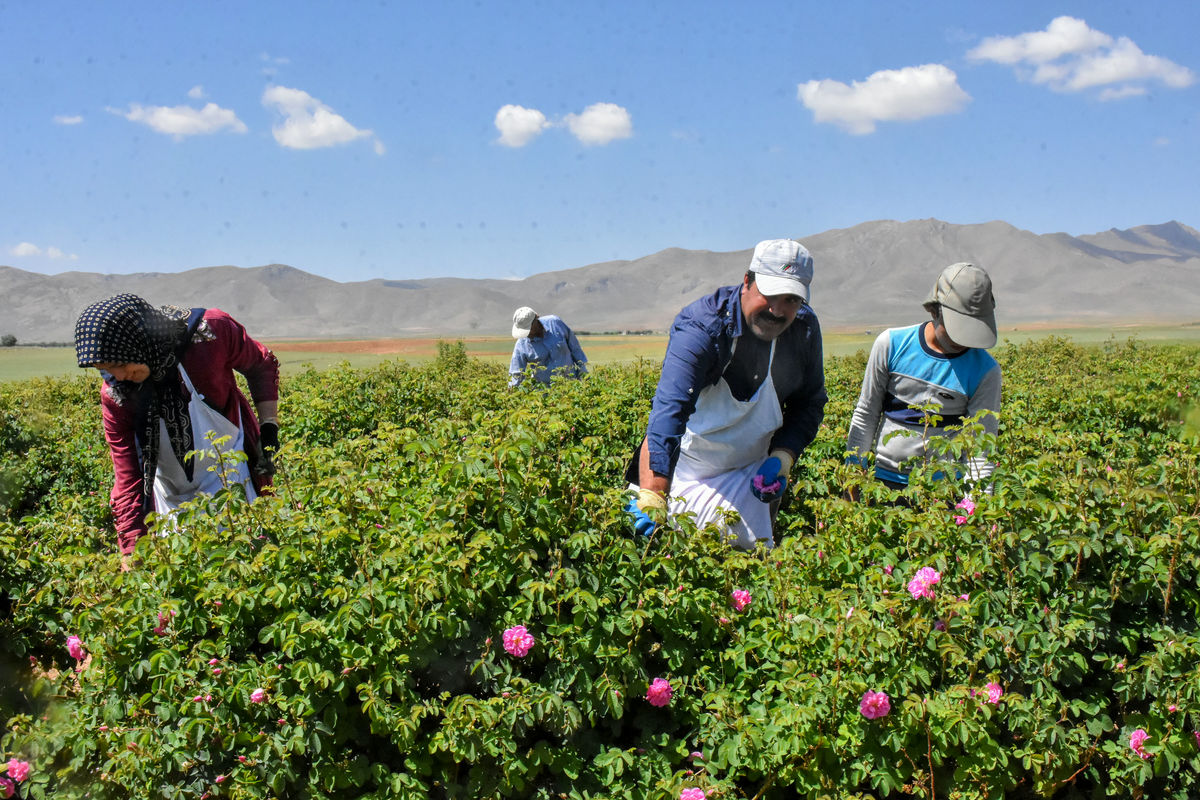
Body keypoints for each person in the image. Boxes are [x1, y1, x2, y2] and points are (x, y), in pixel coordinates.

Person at [625, 239, 827, 550]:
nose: (777, 310)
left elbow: (809, 403)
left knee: (749, 565)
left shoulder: (803, 330)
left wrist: (783, 456)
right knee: (662, 553)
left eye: (791, 300)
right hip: (684, 466)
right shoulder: (703, 327)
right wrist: (654, 492)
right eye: (770, 294)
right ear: (748, 281)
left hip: (750, 470)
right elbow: (670, 412)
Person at [74, 294, 280, 564]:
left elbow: (261, 364)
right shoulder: (116, 394)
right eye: (105, 369)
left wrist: (268, 428)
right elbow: (127, 478)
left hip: (233, 476)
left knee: (251, 558)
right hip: (170, 495)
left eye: (120, 365)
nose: (118, 376)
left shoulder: (210, 335)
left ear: (139, 344)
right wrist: (130, 548)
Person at [845, 262, 1001, 495]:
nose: (963, 339)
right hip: (883, 482)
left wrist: (976, 510)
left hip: (944, 491)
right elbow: (866, 413)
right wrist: (853, 478)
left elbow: (981, 449)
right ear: (934, 310)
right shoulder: (891, 344)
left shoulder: (986, 370)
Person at [508, 307, 589, 387]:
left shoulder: (556, 323)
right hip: (544, 392)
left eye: (529, 329)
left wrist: (584, 375)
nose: (527, 333)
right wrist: (511, 394)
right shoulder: (521, 345)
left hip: (570, 385)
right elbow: (516, 374)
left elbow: (575, 349)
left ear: (536, 319)